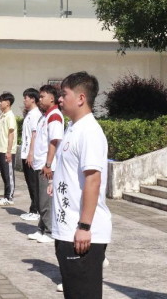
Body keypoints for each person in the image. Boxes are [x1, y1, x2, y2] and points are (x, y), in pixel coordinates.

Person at [49, 72, 112, 299]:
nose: (60, 100)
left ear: (81, 98)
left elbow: (93, 179)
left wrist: (85, 226)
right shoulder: (73, 128)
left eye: (64, 94)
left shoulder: (90, 132)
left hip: (82, 233)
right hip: (67, 230)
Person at [28, 85, 64, 244]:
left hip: (47, 166)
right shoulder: (45, 116)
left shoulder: (55, 116)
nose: (40, 100)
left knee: (46, 201)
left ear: (52, 98)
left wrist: (48, 164)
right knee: (40, 199)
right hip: (40, 165)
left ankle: (49, 231)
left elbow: (54, 141)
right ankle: (41, 228)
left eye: (42, 97)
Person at [20, 89, 43, 221]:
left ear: (32, 99)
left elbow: (35, 134)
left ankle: (36, 210)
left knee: (33, 183)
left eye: (26, 98)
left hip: (30, 155)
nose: (24, 100)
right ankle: (33, 208)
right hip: (25, 153)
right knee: (29, 182)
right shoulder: (29, 114)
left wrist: (31, 153)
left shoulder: (35, 115)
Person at [0, 92, 17, 206]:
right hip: (1, 149)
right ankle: (5, 196)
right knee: (4, 174)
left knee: (9, 175)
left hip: (8, 151)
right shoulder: (2, 115)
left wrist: (9, 151)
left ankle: (9, 197)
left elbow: (11, 134)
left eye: (1, 101)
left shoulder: (10, 116)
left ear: (7, 103)